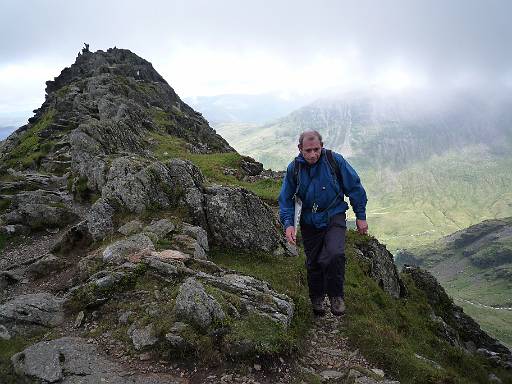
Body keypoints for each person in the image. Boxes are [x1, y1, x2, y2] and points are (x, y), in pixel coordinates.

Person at [278, 130, 368, 316]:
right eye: (308, 150)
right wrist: (289, 224)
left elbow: (355, 187)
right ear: (300, 148)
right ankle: (317, 298)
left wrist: (361, 216)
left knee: (335, 254)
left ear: (322, 146)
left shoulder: (335, 161)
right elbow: (285, 199)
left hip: (334, 214)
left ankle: (336, 296)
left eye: (316, 149)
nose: (312, 154)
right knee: (314, 262)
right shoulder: (294, 168)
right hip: (309, 220)